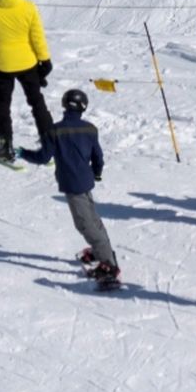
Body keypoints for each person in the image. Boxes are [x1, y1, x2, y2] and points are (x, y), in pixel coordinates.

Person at [21, 88, 120, 289]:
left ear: (65, 104)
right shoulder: (90, 129)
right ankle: (104, 251)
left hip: (71, 184)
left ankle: (108, 266)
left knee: (85, 224)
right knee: (92, 218)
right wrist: (97, 173)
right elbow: (98, 157)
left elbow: (43, 157)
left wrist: (22, 152)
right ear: (83, 107)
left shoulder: (54, 130)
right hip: (85, 181)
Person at [0, 0, 53, 162]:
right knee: (37, 102)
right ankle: (50, 143)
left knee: (2, 105)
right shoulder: (29, 8)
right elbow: (37, 36)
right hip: (28, 63)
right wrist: (44, 60)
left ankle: (5, 145)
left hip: (2, 64)